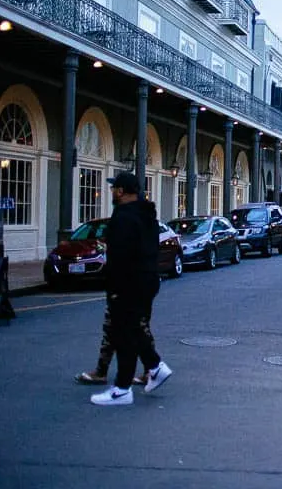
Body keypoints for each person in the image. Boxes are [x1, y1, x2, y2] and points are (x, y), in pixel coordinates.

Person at [89, 172, 172, 406]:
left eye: (114, 188)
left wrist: (114, 287)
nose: (112, 191)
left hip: (128, 282)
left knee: (125, 332)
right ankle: (154, 367)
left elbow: (121, 257)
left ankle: (123, 388)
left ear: (122, 191)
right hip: (147, 280)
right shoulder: (147, 216)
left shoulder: (123, 217)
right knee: (132, 329)